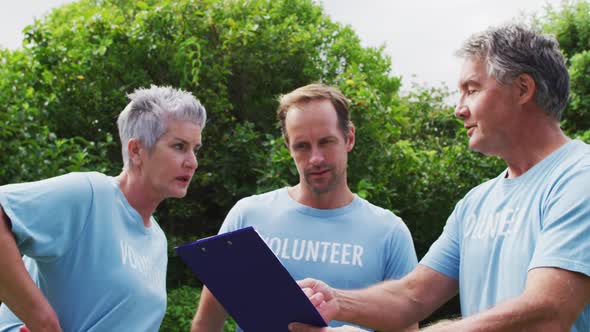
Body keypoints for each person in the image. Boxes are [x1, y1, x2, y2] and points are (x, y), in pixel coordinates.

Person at [289, 24, 590, 332]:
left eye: (471, 90)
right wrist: (336, 301)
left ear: (523, 89)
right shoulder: (475, 203)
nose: (459, 109)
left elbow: (548, 311)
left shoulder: (580, 179)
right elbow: (412, 296)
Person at [190, 83, 418, 332]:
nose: (316, 158)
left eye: (326, 142)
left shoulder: (389, 232)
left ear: (349, 138)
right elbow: (207, 322)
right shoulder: (247, 216)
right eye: (302, 146)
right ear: (288, 146)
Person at [0, 86, 206, 332]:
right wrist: (43, 322)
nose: (192, 162)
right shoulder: (90, 194)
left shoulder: (157, 240)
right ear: (137, 151)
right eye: (179, 146)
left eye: (195, 149)